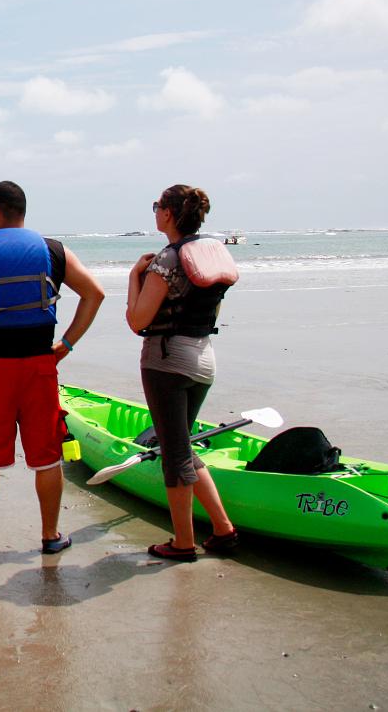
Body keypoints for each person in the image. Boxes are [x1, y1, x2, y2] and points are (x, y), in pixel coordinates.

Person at [0, 181, 105, 555]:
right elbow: (95, 294)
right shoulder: (53, 249)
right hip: (41, 364)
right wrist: (67, 344)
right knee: (46, 457)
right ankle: (50, 535)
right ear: (21, 211)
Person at [125, 184, 237, 561]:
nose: (155, 211)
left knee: (174, 457)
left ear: (169, 214)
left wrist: (133, 278)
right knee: (184, 447)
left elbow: (138, 320)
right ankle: (222, 529)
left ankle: (183, 543)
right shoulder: (207, 253)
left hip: (166, 362)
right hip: (204, 359)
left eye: (157, 206)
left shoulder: (167, 260)